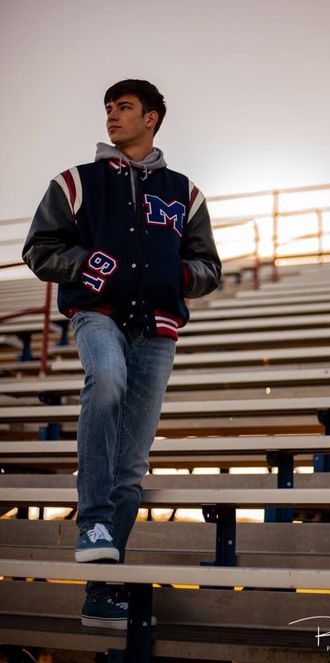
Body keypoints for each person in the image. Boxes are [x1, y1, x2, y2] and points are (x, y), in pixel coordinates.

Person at [22, 79, 221, 629]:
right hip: (97, 314)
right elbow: (39, 249)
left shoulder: (184, 192)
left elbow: (210, 269)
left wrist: (175, 274)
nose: (112, 115)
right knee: (104, 379)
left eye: (124, 107)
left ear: (152, 118)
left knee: (131, 469)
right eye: (108, 107)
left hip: (157, 328)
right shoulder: (75, 182)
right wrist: (86, 266)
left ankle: (102, 589)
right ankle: (93, 521)